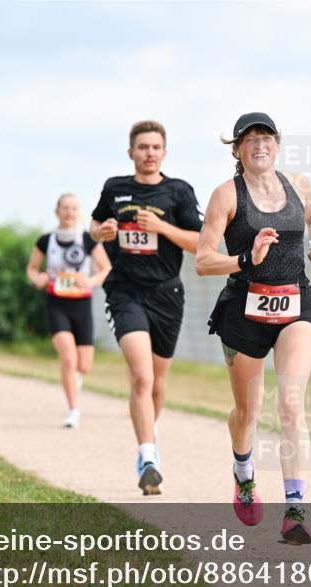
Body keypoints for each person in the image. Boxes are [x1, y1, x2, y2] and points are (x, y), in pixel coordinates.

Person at [196, 112, 311, 545]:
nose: (260, 144)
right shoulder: (225, 196)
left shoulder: (299, 184)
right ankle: (243, 472)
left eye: (267, 137)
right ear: (236, 149)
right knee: (247, 413)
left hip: (295, 303)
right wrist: (244, 259)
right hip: (245, 310)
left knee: (291, 403)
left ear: (277, 143)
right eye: (250, 139)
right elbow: (202, 261)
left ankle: (294, 510)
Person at [89, 120, 203, 495]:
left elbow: (199, 241)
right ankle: (147, 456)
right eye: (142, 147)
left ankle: (150, 433)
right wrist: (101, 232)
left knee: (158, 381)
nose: (149, 153)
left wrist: (162, 227)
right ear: (131, 153)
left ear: (164, 153)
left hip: (167, 295)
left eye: (155, 147)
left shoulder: (179, 192)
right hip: (125, 292)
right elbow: (95, 226)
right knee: (142, 377)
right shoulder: (115, 188)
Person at [26, 194, 110, 428]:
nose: (69, 212)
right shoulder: (45, 240)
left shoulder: (87, 239)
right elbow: (32, 269)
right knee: (68, 357)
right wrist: (38, 278)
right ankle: (73, 410)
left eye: (73, 208)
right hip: (56, 303)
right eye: (65, 208)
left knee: (84, 365)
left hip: (81, 304)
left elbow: (105, 269)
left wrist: (91, 281)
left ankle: (76, 379)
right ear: (57, 212)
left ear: (78, 212)